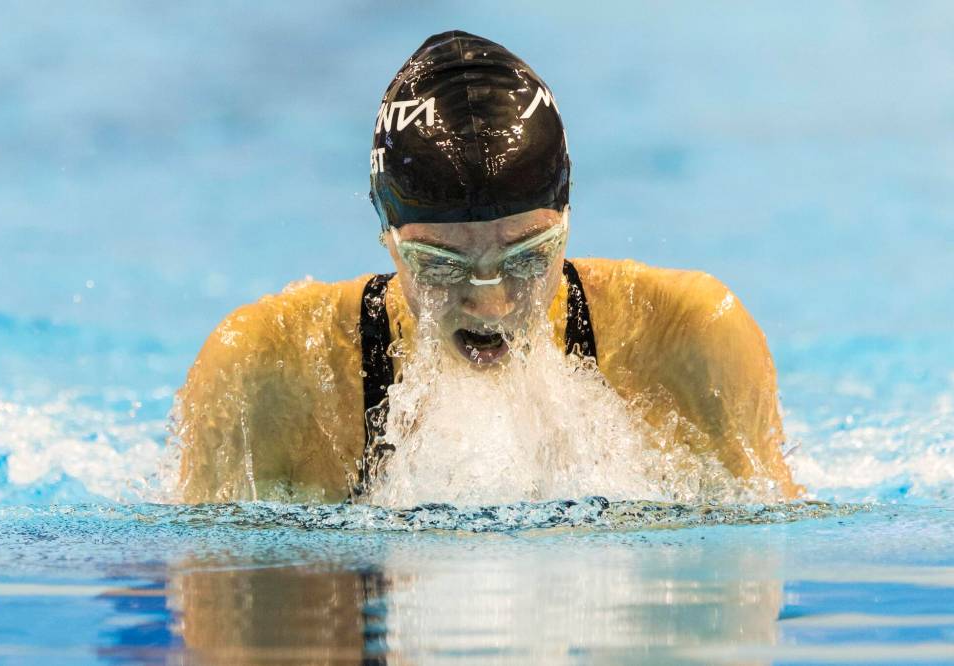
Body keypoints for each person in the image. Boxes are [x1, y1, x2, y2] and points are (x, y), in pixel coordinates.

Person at [176, 30, 800, 503]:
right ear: (386, 235)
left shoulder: (690, 340)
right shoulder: (269, 375)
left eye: (527, 256)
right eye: (441, 264)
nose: (491, 304)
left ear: (567, 221)